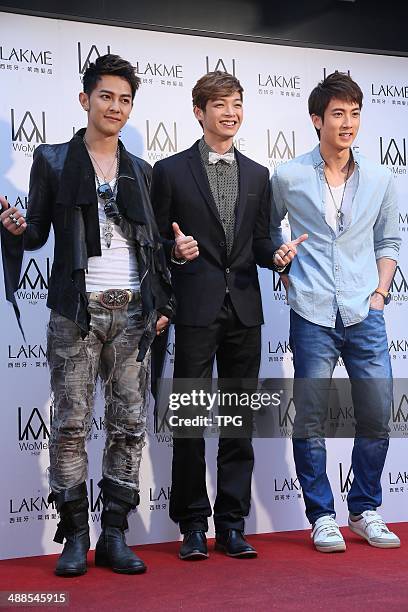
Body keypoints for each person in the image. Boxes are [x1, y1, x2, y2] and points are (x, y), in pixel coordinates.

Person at [0, 54, 174, 576]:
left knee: (128, 428)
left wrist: (169, 276)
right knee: (70, 426)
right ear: (85, 100)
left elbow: (151, 245)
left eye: (125, 100)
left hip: (133, 317)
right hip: (76, 314)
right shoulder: (53, 159)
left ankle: (115, 535)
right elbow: (35, 235)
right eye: (106, 97)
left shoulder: (141, 171)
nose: (115, 107)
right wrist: (13, 226)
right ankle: (76, 535)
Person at [151, 71, 306, 560]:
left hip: (244, 309)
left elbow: (259, 241)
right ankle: (194, 524)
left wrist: (275, 255)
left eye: (236, 104)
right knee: (192, 421)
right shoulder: (169, 171)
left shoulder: (259, 174)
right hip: (195, 310)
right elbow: (154, 243)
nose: (231, 113)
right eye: (220, 105)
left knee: (238, 421)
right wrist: (175, 251)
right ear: (199, 112)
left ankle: (233, 524)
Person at [270, 71, 401, 553]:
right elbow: (269, 235)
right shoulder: (287, 175)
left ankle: (365, 508)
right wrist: (282, 262)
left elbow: (389, 240)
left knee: (376, 414)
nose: (348, 123)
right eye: (339, 114)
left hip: (365, 311)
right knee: (310, 419)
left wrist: (381, 292)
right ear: (317, 120)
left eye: (355, 113)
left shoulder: (383, 177)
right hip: (312, 311)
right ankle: (321, 516)